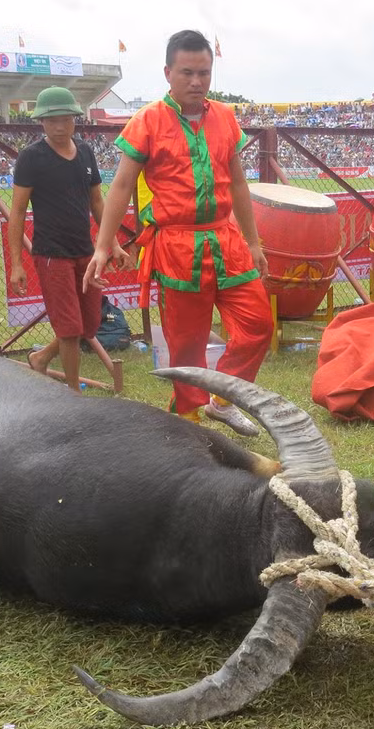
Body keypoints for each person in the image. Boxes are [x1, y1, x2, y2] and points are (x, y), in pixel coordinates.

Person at [84, 30, 272, 435]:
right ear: (168, 72)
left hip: (226, 239)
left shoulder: (225, 116)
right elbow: (119, 186)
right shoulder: (148, 121)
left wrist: (253, 241)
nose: (197, 82)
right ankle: (187, 420)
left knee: (258, 325)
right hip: (177, 246)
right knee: (186, 343)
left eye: (204, 72)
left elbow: (238, 183)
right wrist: (104, 245)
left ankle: (224, 401)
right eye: (187, 72)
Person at [8, 86, 128, 390]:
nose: (59, 126)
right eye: (51, 121)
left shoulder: (86, 152)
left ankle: (42, 358)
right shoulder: (31, 157)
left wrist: (112, 243)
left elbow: (97, 203)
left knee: (89, 324)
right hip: (51, 254)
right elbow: (18, 211)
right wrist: (16, 264)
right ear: (41, 123)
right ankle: (73, 394)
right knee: (71, 329)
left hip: (86, 252)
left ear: (76, 119)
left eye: (65, 119)